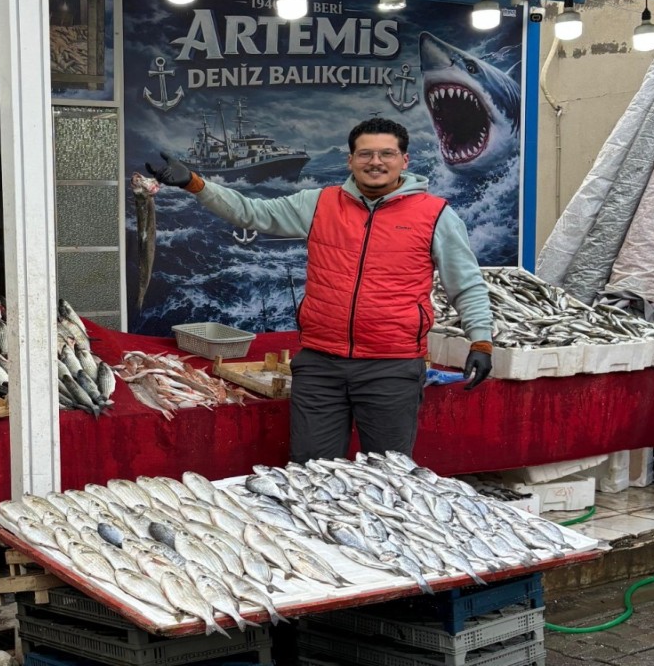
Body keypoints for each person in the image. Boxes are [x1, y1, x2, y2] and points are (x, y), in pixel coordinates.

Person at [146, 117, 493, 462]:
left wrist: (480, 341)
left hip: (392, 366)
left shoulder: (435, 215)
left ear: (405, 161)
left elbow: (465, 283)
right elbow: (253, 213)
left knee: (389, 473)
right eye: (365, 154)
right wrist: (195, 184)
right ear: (350, 160)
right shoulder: (320, 203)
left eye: (386, 154)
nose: (375, 162)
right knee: (313, 472)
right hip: (320, 365)